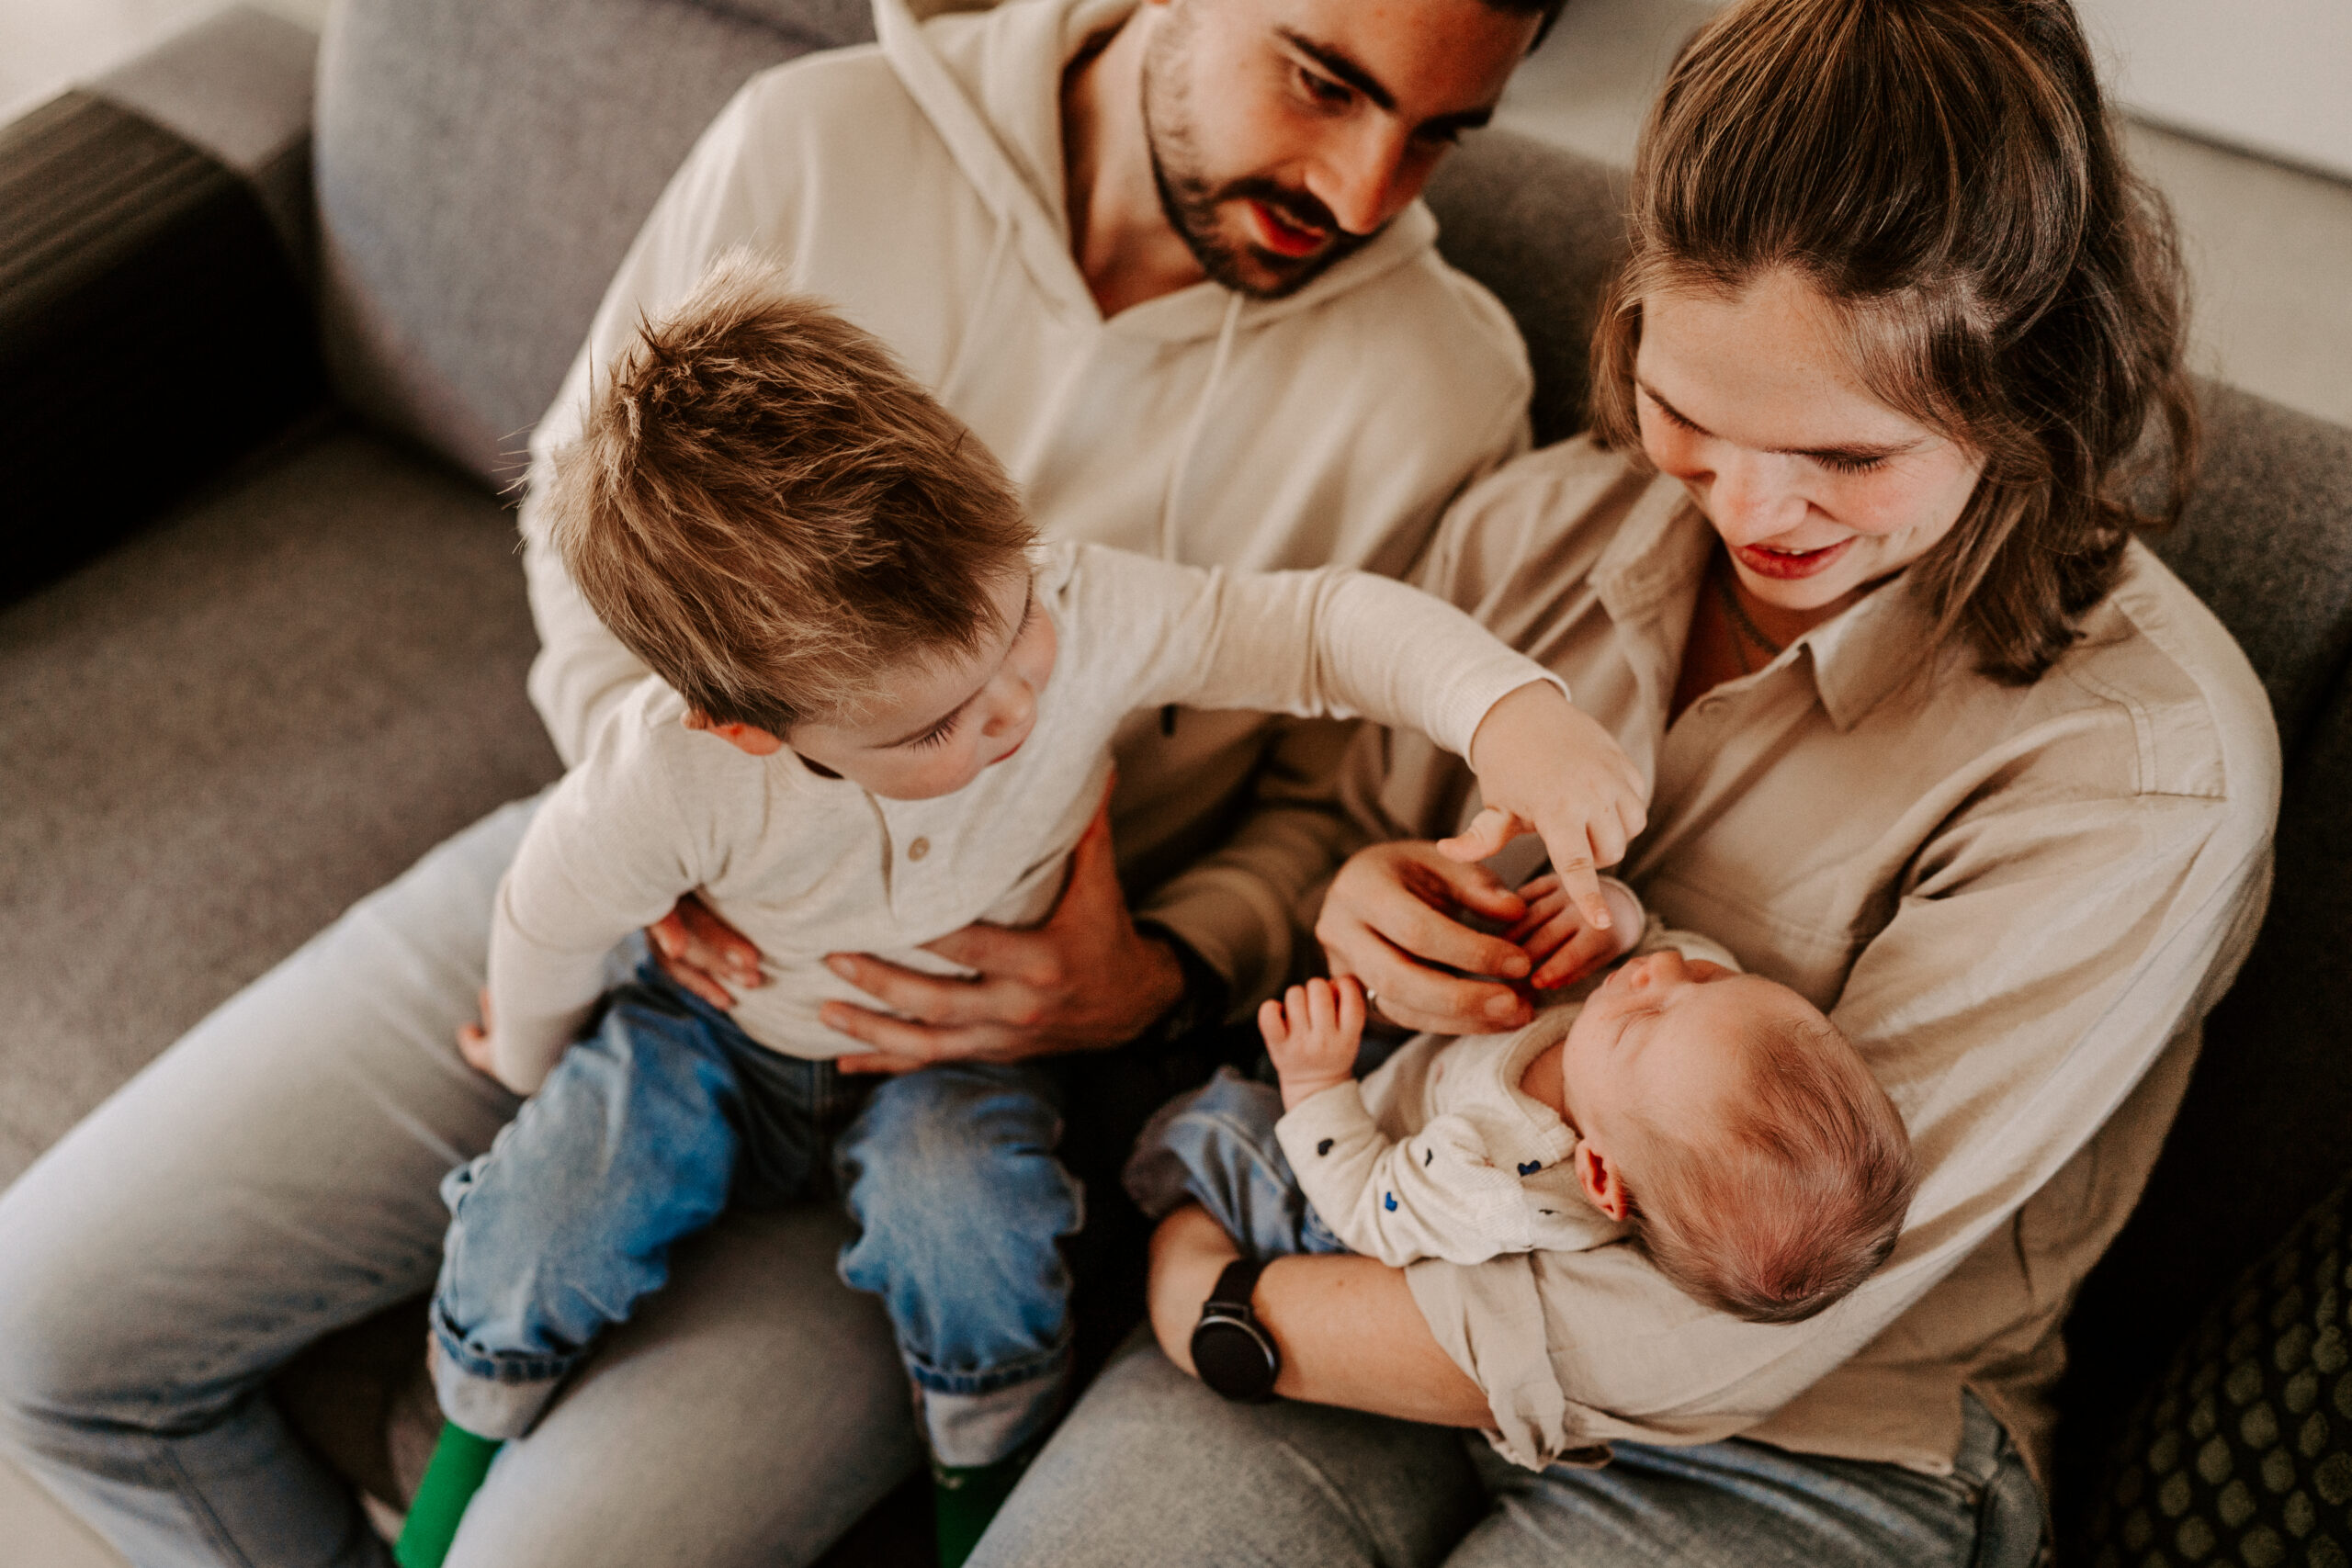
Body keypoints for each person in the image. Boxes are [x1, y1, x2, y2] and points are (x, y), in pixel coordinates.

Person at [0, 0, 1570, 1563]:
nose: (1367, 192)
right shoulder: (817, 143)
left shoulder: (1441, 383)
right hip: (652, 882)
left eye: (1440, 133)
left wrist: (1151, 972)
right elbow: (582, 518)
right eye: (1322, 82)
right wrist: (677, 812)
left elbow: (1344, 806)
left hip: (969, 1051)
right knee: (47, 1340)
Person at [967, 1, 2281, 1563]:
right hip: (1400, 1218)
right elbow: (1326, 817)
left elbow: (1758, 1318)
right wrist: (1357, 897)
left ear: (2025, 390)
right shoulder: (1539, 531)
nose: (1752, 508)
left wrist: (1227, 1305)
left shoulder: (2138, 761)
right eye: (1687, 417)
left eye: (1848, 460)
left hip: (1794, 1442)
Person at [394, 258, 1638, 1561]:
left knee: (980, 1237)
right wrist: (528, 1051)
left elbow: (1318, 628)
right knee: (543, 1212)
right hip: (716, 1040)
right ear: (745, 725)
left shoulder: (1082, 600)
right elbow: (547, 913)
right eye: (935, 721)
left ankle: (972, 1487)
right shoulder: (668, 775)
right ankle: (457, 1466)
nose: (1012, 708)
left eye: (1017, 625)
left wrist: (1509, 709)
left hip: (958, 1056)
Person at [1125, 879, 1916, 1357]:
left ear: (1598, 1172)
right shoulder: (1672, 1057)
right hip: (1409, 1067)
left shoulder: (1498, 1180)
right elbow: (1674, 944)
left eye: (1647, 1013)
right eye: (1711, 977)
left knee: (1218, 1126)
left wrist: (1316, 1082)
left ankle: (1135, 1195)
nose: (1658, 970)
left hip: (1357, 1178)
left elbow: (1369, 1206)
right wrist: (1618, 913)